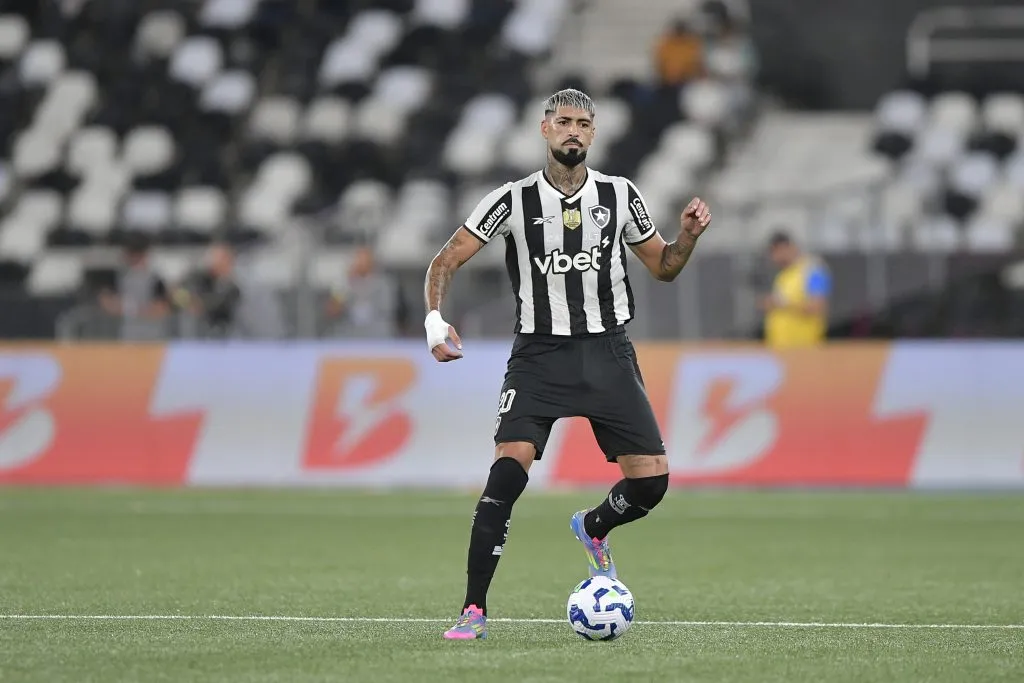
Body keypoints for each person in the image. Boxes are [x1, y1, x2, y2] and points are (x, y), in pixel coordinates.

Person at [422, 88, 712, 640]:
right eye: (563, 122)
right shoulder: (512, 200)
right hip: (539, 356)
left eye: (582, 122)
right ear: (544, 129)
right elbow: (446, 258)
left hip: (607, 351)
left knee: (651, 483)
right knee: (507, 473)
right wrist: (436, 320)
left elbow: (665, 267)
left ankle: (595, 526)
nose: (572, 131)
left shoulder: (622, 195)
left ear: (594, 133)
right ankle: (473, 610)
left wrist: (689, 238)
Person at [760, 231, 831, 349]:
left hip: (805, 349)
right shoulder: (784, 276)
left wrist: (783, 304)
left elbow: (818, 306)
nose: (774, 258)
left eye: (775, 252)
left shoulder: (814, 271)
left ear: (787, 247)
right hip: (782, 350)